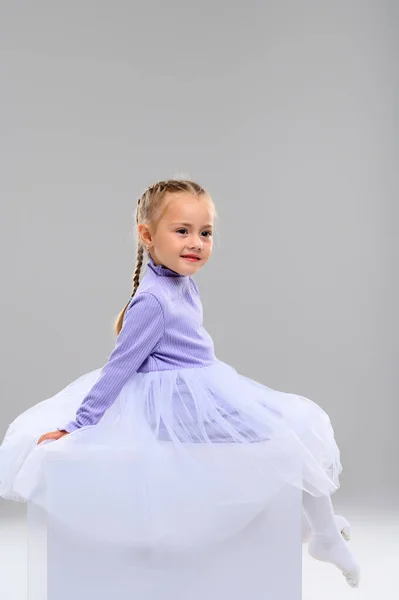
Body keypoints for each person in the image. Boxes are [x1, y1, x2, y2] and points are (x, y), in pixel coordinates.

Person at [0, 179, 360, 587]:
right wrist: (79, 424)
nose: (197, 243)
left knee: (293, 428)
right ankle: (323, 534)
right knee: (293, 431)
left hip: (201, 390)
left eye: (205, 233)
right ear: (147, 236)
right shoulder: (153, 300)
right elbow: (119, 367)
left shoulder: (182, 284)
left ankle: (311, 527)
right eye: (182, 231)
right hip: (180, 407)